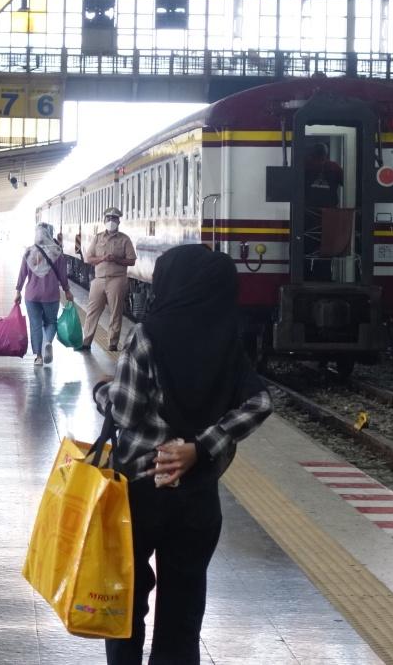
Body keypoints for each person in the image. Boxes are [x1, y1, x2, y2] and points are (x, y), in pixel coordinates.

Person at [93, 245, 273, 665]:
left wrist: (103, 391)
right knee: (183, 608)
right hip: (197, 496)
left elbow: (127, 411)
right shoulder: (228, 338)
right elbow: (260, 402)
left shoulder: (150, 332)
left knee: (127, 601)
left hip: (139, 491)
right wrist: (201, 447)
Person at [15, 223, 73, 366]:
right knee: (51, 322)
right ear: (50, 234)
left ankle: (39, 357)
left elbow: (22, 274)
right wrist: (67, 290)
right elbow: (62, 276)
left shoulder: (29, 252)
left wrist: (18, 291)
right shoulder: (57, 252)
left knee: (35, 325)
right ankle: (48, 342)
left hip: (31, 295)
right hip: (51, 294)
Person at [82, 207, 137, 352]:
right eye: (109, 218)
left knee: (115, 312)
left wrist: (117, 259)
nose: (111, 221)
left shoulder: (124, 239)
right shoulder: (98, 238)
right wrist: (102, 258)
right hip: (99, 279)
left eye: (114, 219)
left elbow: (132, 261)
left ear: (119, 221)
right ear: (104, 220)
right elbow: (88, 258)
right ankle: (86, 341)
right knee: (92, 310)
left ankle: (113, 343)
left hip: (117, 279)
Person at [303, 142, 343, 282]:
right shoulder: (334, 167)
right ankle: (324, 277)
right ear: (326, 154)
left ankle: (305, 277)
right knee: (326, 250)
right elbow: (348, 183)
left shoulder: (304, 166)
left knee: (305, 249)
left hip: (306, 216)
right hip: (329, 216)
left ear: (311, 153)